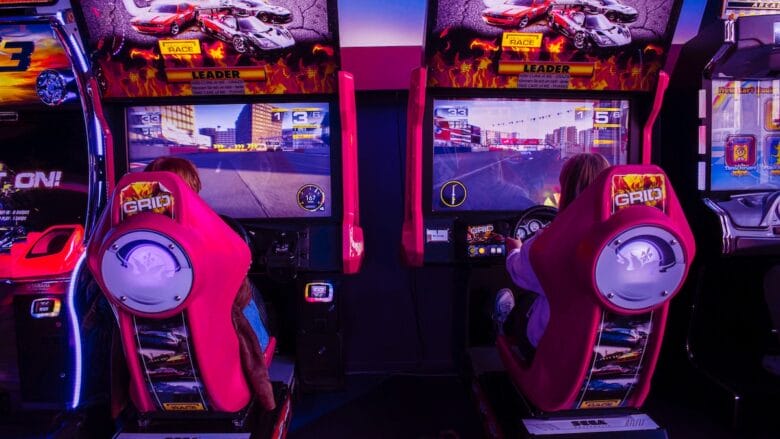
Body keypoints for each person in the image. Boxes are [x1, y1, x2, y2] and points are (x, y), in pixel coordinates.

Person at [143, 156, 276, 410]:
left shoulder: (126, 241)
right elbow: (238, 297)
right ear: (190, 192)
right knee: (247, 290)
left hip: (149, 357)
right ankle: (265, 352)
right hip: (211, 358)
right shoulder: (211, 237)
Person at [493, 153, 611, 360]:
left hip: (548, 345)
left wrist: (515, 250)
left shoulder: (550, 240)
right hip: (605, 343)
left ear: (567, 189)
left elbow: (520, 273)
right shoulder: (627, 238)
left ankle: (505, 323)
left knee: (527, 299)